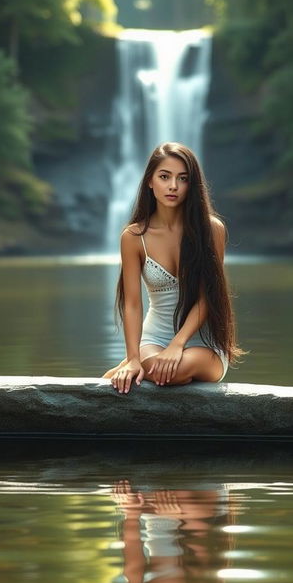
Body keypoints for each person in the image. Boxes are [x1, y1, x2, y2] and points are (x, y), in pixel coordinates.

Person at [102, 141, 243, 394]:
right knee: (159, 371)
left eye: (183, 178)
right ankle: (133, 364)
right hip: (153, 339)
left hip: (205, 343)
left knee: (174, 372)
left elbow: (207, 297)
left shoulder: (212, 230)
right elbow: (132, 303)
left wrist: (178, 345)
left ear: (192, 185)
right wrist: (134, 356)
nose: (173, 186)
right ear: (149, 181)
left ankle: (135, 367)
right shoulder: (134, 237)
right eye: (164, 177)